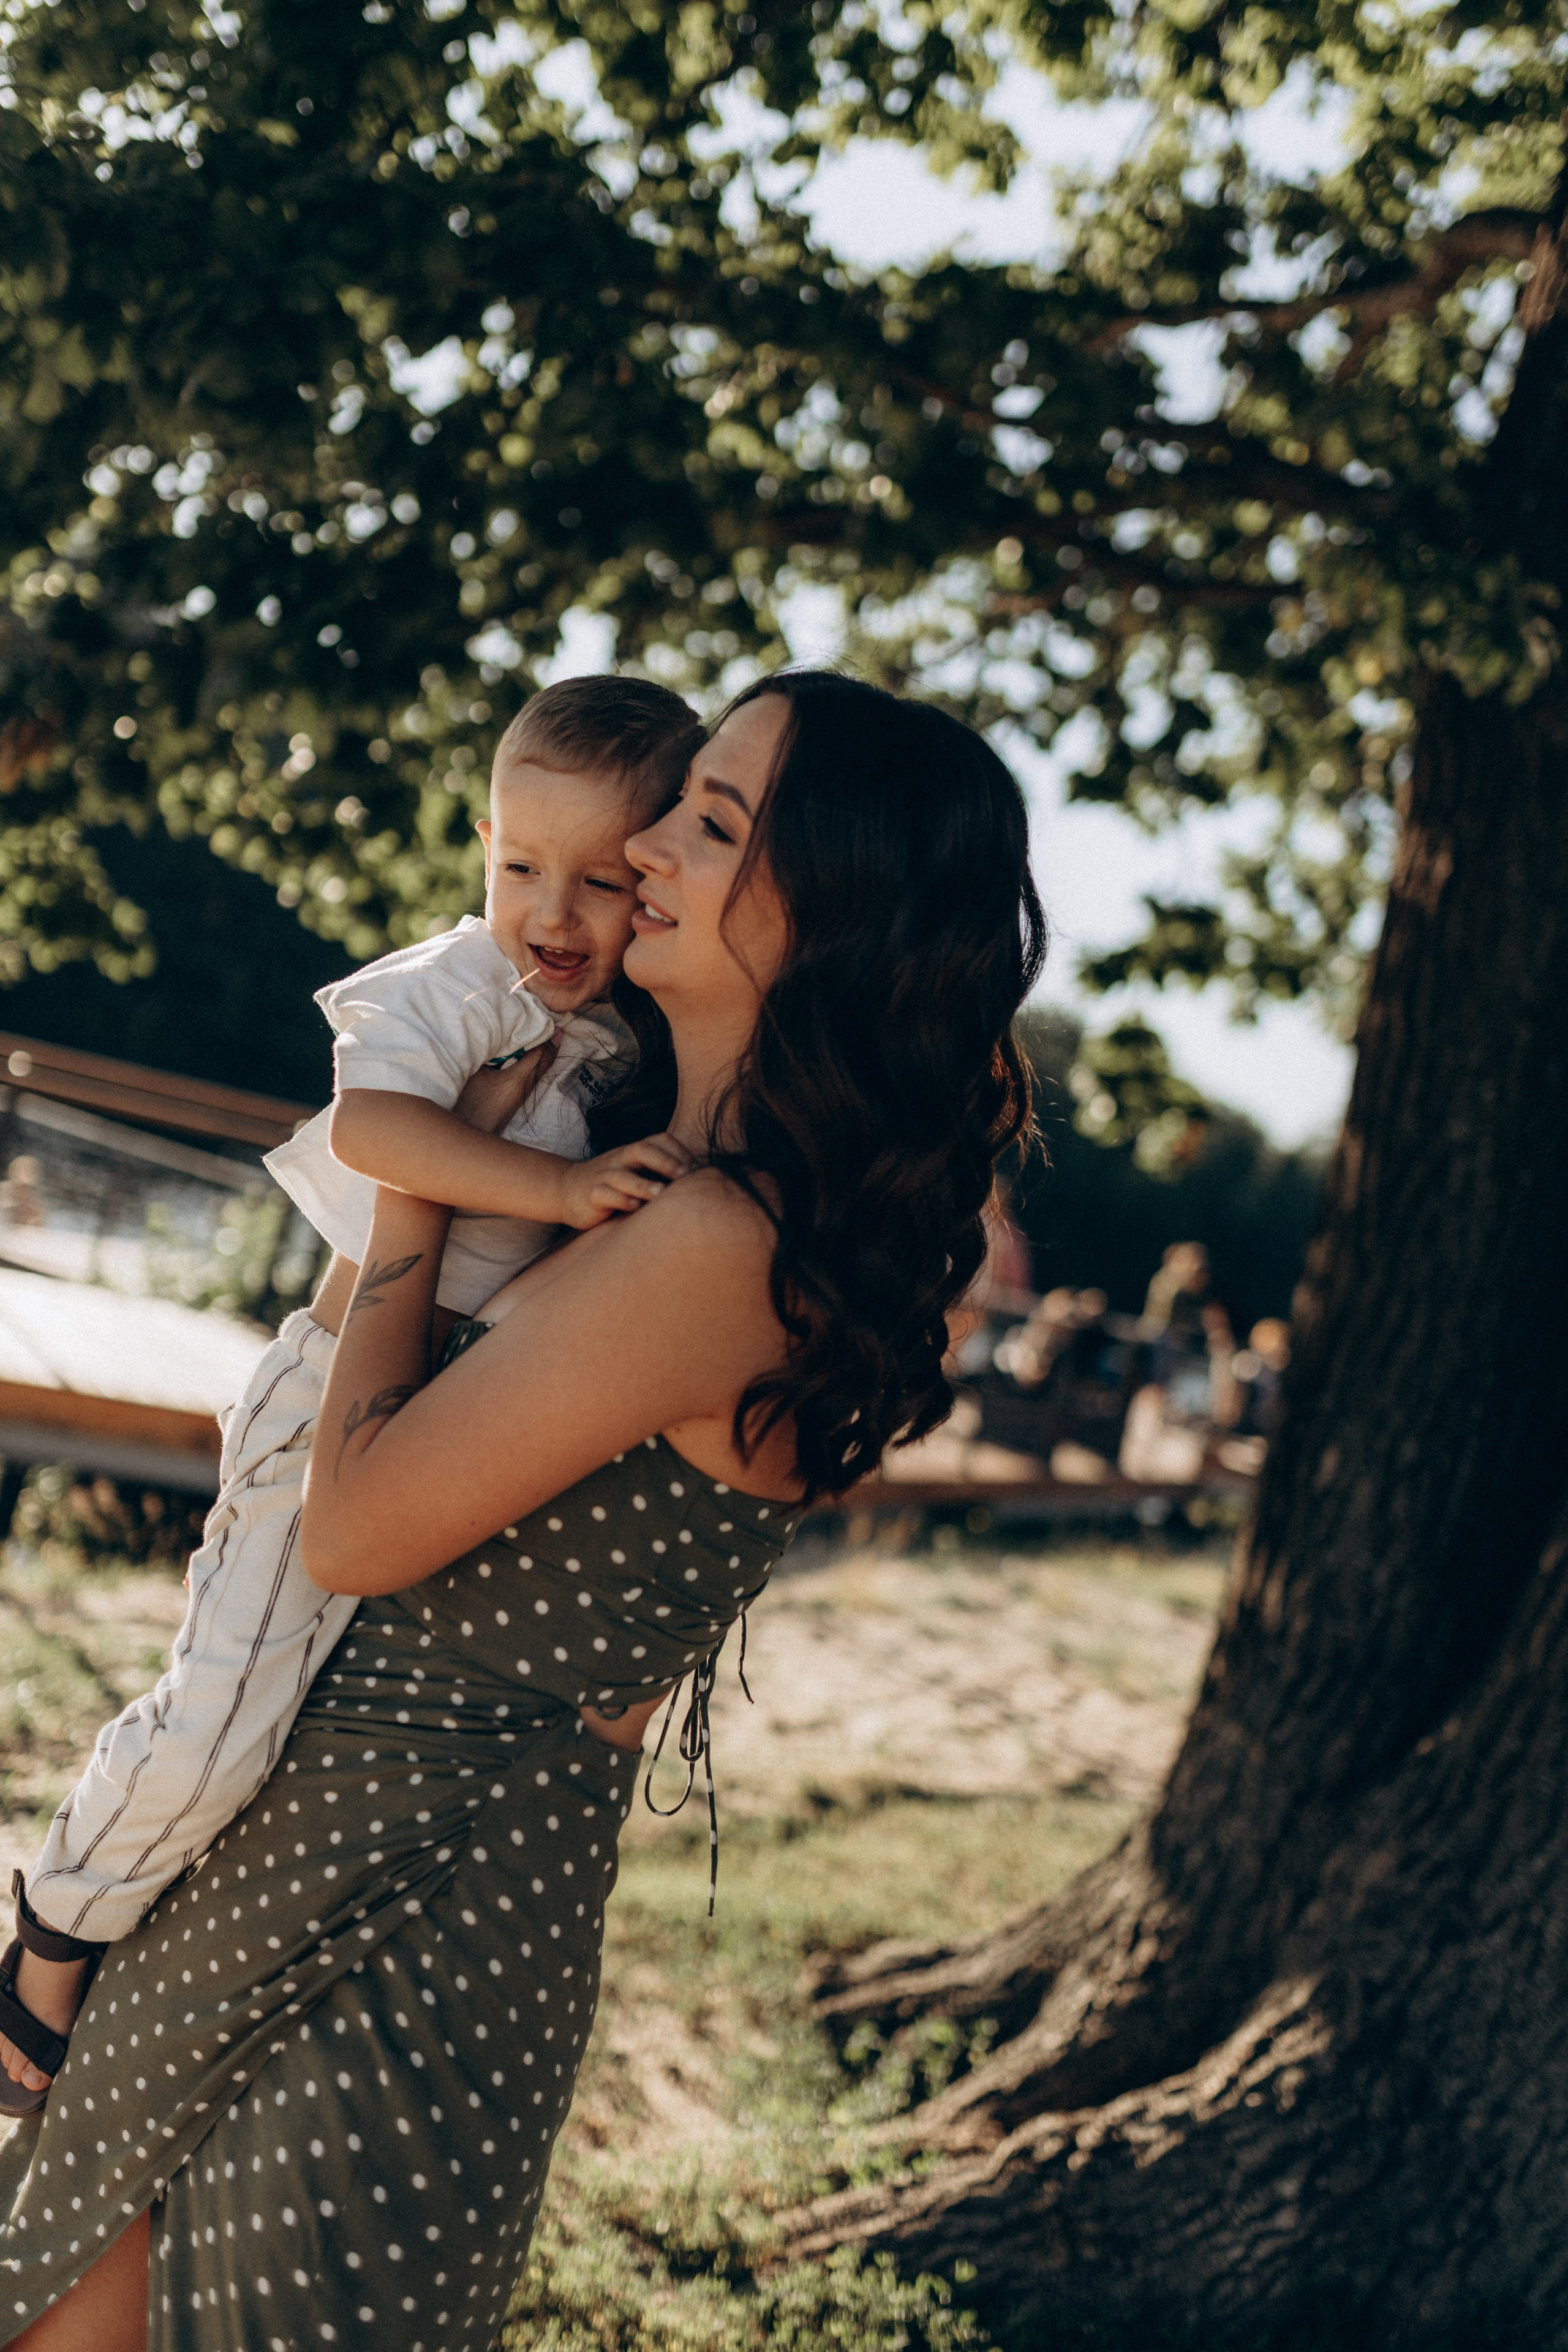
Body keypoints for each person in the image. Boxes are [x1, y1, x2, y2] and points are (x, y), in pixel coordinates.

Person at [0, 669, 1044, 2352]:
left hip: (393, 1911)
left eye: (708, 821)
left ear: (824, 909)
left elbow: (346, 1529)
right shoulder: (655, 1168)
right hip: (316, 1853)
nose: (641, 844)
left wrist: (416, 1173)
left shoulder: (718, 1246)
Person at [0, 675, 700, 2111]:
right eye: (517, 866)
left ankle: (157, 1962)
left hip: (454, 1418)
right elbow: (378, 1130)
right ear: (481, 851)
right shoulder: (455, 985)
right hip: (335, 1388)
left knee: (309, 1731)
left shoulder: (636, 1038)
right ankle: (49, 1939)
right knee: (222, 1708)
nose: (551, 914)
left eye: (600, 881)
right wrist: (557, 1187)